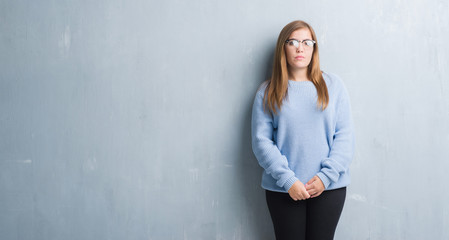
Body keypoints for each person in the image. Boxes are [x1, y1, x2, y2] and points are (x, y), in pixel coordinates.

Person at [251, 20, 355, 240]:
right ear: (284, 47)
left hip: (329, 188)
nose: (300, 47)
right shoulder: (267, 92)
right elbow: (262, 142)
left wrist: (325, 177)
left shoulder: (334, 86)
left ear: (314, 48)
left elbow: (345, 137)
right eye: (293, 42)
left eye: (307, 42)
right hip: (283, 189)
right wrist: (288, 181)